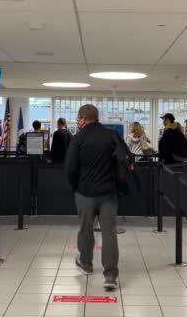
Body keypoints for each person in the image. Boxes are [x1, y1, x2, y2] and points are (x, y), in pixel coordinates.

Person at [65, 104, 120, 290]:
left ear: (81, 118)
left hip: (85, 193)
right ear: (97, 118)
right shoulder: (111, 136)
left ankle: (87, 264)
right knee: (109, 232)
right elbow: (122, 162)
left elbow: (70, 168)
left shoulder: (78, 138)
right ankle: (110, 275)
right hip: (108, 193)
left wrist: (76, 187)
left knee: (85, 229)